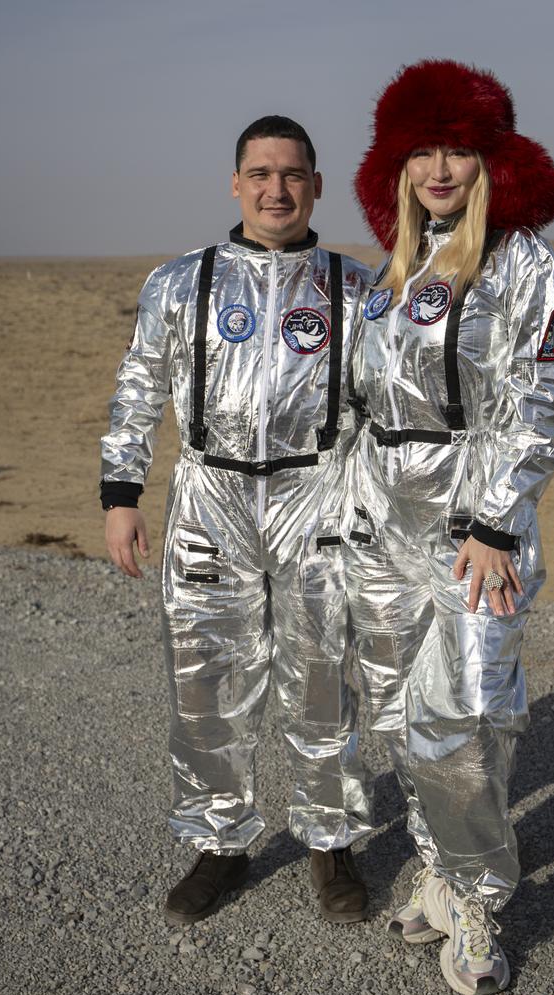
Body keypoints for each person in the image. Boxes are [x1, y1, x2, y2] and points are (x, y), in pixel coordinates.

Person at [100, 115, 373, 927]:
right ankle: (220, 842)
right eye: (260, 173)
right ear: (234, 184)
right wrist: (121, 495)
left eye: (291, 175)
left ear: (316, 185)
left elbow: (387, 409)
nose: (275, 189)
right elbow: (139, 387)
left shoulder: (357, 291)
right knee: (205, 686)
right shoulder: (180, 284)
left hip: (318, 498)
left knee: (322, 683)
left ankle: (330, 841)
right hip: (209, 501)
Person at [345, 61, 554, 995]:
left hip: (475, 525)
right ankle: (438, 865)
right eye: (422, 151)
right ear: (397, 167)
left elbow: (546, 398)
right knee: (403, 715)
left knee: (468, 719)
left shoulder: (522, 260)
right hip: (384, 529)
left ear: (490, 160)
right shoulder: (390, 273)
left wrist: (494, 521)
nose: (439, 169)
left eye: (457, 150)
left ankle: (478, 897)